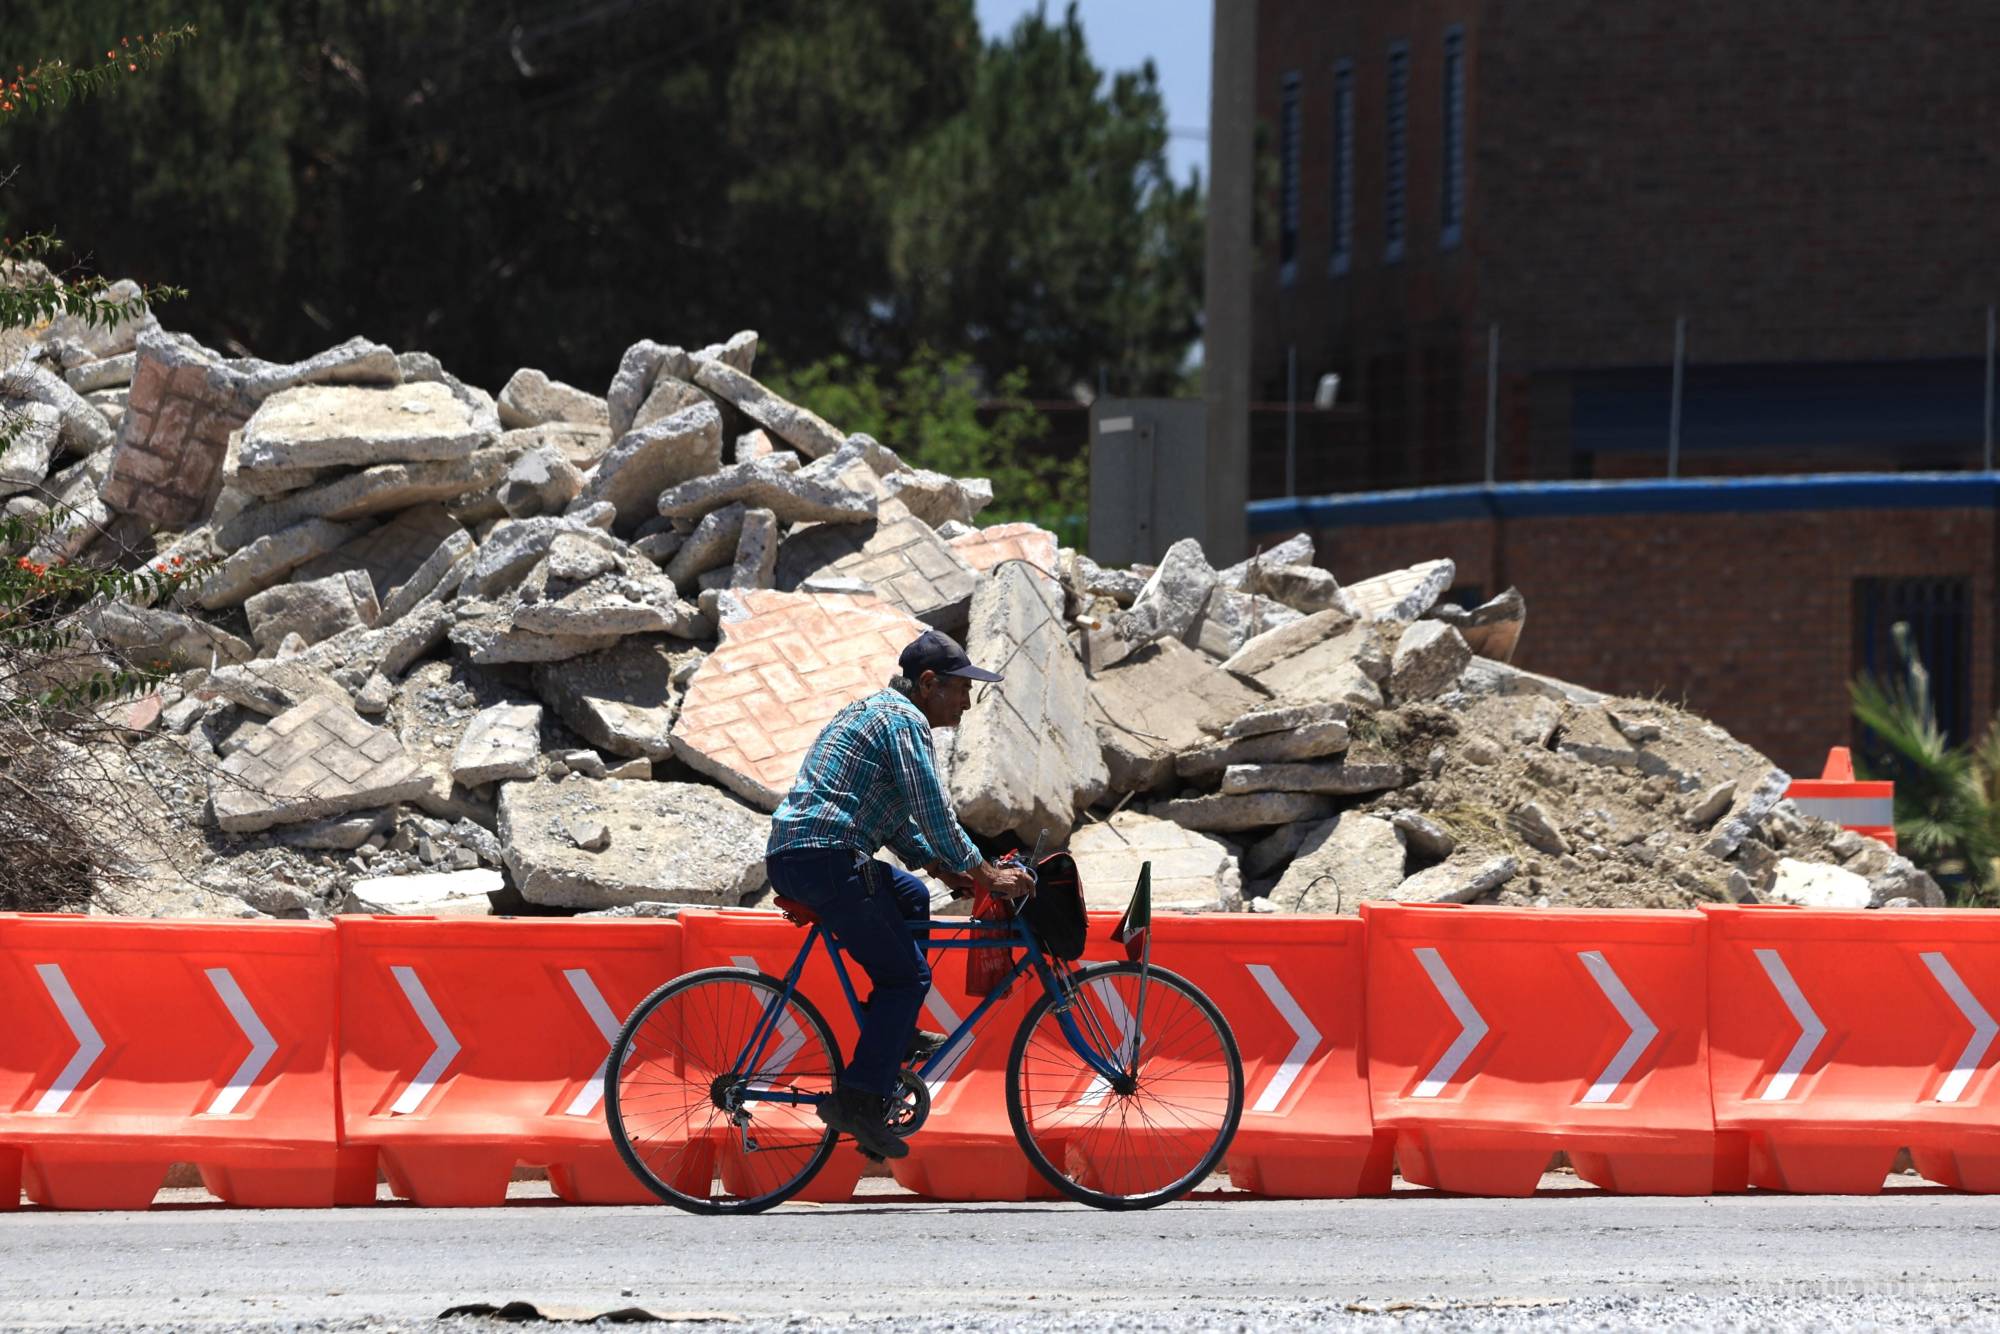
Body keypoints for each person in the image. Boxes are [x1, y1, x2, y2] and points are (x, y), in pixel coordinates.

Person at [764, 629, 1035, 1161]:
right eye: (960, 688)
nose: (966, 700)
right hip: (827, 856)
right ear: (928, 683)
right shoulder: (904, 720)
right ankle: (859, 1101)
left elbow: (896, 822)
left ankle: (897, 1035)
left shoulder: (876, 713)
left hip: (804, 855)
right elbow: (932, 808)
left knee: (911, 893)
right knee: (907, 976)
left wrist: (943, 867)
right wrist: (984, 874)